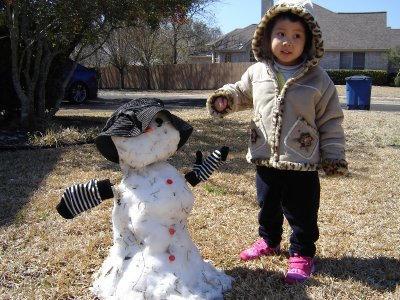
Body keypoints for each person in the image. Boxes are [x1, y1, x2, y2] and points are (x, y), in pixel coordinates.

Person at [206, 0, 348, 284]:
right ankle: (269, 241)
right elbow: (239, 93)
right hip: (264, 157)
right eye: (281, 33)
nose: (287, 41)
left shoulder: (319, 80)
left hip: (302, 163)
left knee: (302, 212)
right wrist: (224, 99)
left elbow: (331, 120)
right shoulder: (257, 72)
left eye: (297, 35)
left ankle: (302, 253)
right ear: (267, 36)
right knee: (266, 204)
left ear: (309, 42)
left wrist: (333, 155)